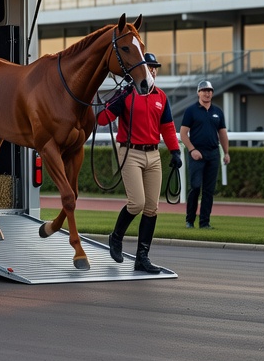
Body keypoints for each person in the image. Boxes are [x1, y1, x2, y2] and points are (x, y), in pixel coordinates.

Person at [95, 55, 182, 274]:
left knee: (152, 208)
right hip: (130, 152)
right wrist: (112, 100)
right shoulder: (127, 94)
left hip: (153, 155)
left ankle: (142, 258)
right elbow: (103, 119)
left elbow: (168, 127)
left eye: (154, 68)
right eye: (148, 68)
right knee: (137, 203)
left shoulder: (161, 96)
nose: (151, 71)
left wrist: (175, 152)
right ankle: (116, 238)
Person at [180, 79, 230, 229]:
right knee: (195, 187)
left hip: (213, 154)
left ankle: (204, 223)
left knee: (209, 190)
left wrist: (226, 153)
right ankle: (190, 220)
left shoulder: (218, 112)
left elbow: (222, 134)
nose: (207, 93)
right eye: (204, 90)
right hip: (197, 154)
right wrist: (192, 150)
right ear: (198, 93)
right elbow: (183, 134)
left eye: (209, 91)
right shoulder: (191, 111)